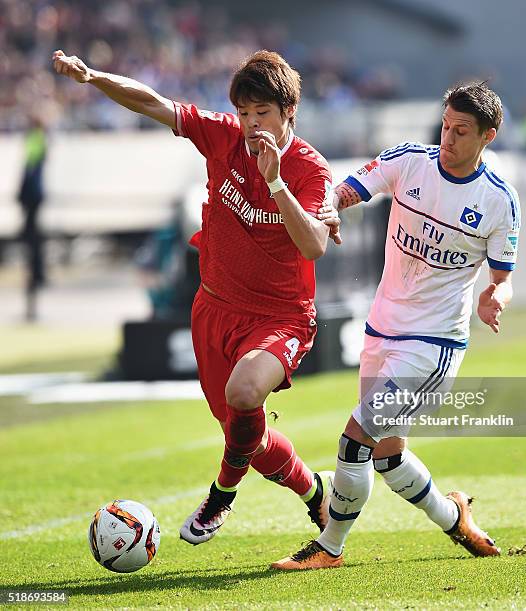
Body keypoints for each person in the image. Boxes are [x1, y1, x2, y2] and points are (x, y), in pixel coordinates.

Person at [52, 48, 341, 544]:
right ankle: (316, 493)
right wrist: (92, 75)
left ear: (289, 111)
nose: (251, 125)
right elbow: (153, 103)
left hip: (280, 316)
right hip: (213, 308)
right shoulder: (222, 136)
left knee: (246, 393)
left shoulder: (309, 170)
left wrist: (274, 181)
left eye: (262, 113)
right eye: (244, 113)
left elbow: (314, 244)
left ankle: (221, 494)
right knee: (242, 429)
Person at [272, 81, 521, 570]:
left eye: (461, 131)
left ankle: (329, 546)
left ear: (487, 137)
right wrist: (327, 209)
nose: (447, 138)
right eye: (446, 126)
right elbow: (346, 190)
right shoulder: (409, 160)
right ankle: (455, 517)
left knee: (355, 437)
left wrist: (495, 297)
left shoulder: (499, 200)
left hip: (432, 345)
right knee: (387, 455)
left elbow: (502, 277)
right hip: (382, 329)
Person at [18, 114, 48, 321]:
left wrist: (22, 191)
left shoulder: (35, 138)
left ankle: (37, 274)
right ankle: (36, 273)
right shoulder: (39, 137)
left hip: (32, 194)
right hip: (34, 194)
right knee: (32, 236)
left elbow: (30, 168)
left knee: (32, 238)